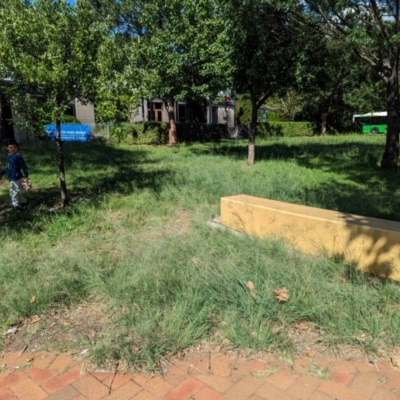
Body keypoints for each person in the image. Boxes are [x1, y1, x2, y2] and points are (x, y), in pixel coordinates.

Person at [0, 139, 29, 211]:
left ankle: (15, 206)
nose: (13, 149)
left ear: (17, 148)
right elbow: (8, 166)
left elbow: (23, 166)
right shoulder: (8, 156)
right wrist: (2, 172)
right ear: (7, 148)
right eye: (10, 147)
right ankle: (24, 201)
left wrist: (25, 174)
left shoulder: (18, 156)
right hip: (11, 177)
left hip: (17, 177)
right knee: (15, 191)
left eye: (15, 147)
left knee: (14, 191)